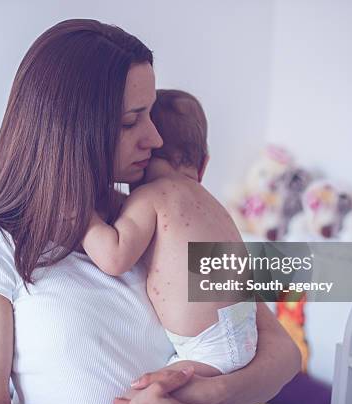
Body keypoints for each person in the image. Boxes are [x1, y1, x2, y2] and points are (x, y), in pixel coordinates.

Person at [0, 18, 301, 404]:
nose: (156, 138)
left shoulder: (165, 222)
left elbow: (282, 353)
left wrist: (202, 395)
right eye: (131, 121)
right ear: (71, 131)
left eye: (151, 115)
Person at [82, 89, 258, 380]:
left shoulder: (151, 196)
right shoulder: (212, 204)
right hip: (245, 335)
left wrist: (83, 216)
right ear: (203, 165)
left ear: (145, 151)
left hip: (206, 350)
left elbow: (113, 258)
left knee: (144, 396)